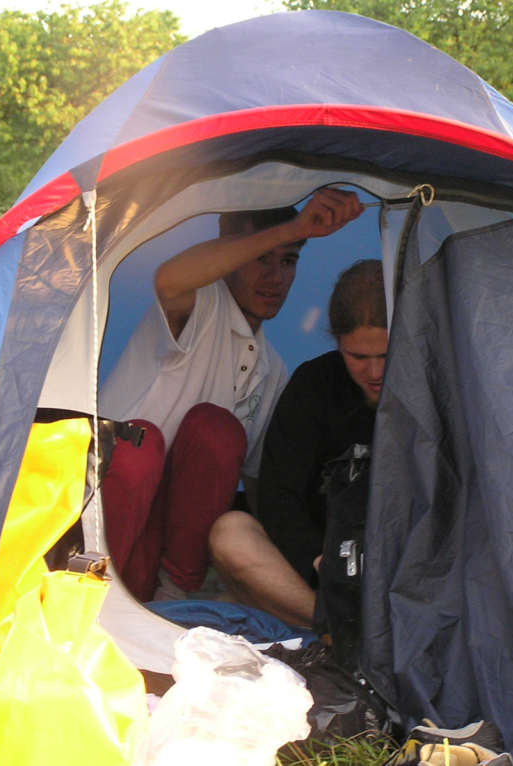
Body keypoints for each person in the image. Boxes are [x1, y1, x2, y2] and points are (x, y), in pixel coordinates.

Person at [97, 188, 364, 602]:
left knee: (217, 433)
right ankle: (99, 593)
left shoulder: (272, 368)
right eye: (262, 258)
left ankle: (175, 599)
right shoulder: (200, 302)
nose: (274, 278)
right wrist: (291, 229)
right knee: (141, 445)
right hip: (109, 525)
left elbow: (262, 489)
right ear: (233, 252)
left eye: (289, 261)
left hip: (173, 544)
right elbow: (169, 278)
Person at [209, 259, 388, 627]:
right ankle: (335, 631)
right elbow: (278, 496)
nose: (374, 373)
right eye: (358, 357)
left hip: (406, 577)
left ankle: (360, 634)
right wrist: (318, 557)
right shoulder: (314, 385)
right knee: (230, 533)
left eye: (385, 356)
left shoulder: (435, 387)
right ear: (337, 342)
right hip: (323, 573)